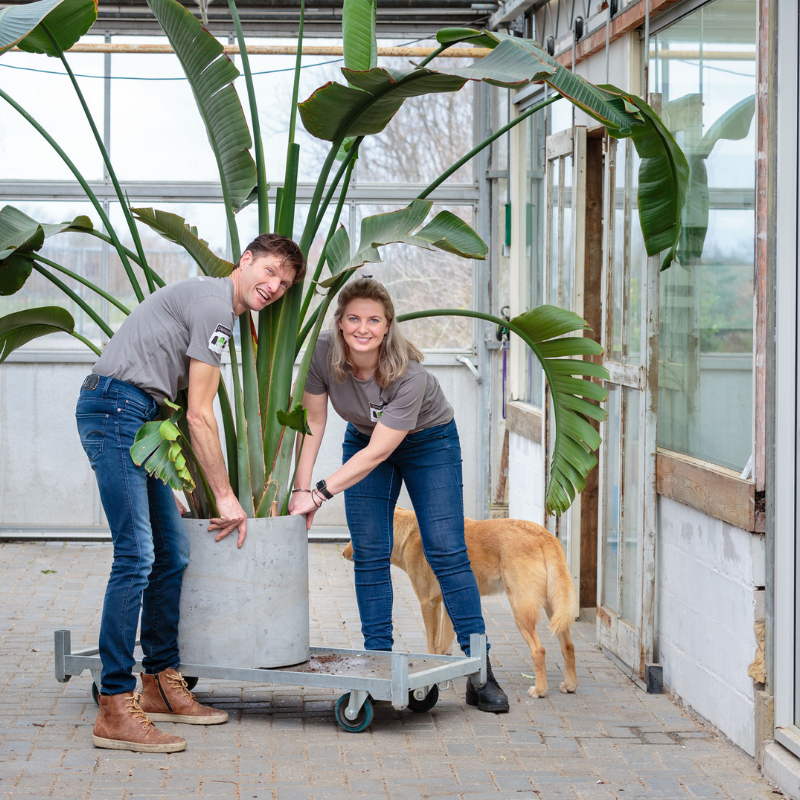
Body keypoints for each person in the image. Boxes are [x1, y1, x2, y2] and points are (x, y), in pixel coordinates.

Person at [76, 234, 306, 752]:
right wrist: (224, 496)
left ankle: (159, 683)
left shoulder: (218, 310)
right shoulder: (215, 307)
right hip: (116, 410)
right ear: (245, 261)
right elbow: (200, 414)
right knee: (136, 556)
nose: (274, 286)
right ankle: (115, 703)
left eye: (284, 283)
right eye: (269, 271)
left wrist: (171, 472)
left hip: (141, 419)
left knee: (172, 552)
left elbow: (176, 406)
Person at [289, 278, 509, 713]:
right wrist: (300, 487)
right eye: (354, 318)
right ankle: (377, 663)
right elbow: (313, 422)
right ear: (340, 321)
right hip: (364, 438)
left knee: (446, 550)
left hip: (429, 443)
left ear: (388, 325)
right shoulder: (322, 353)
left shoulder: (408, 373)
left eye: (373, 320)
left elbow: (380, 452)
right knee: (369, 551)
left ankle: (480, 670)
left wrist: (319, 494)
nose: (363, 328)